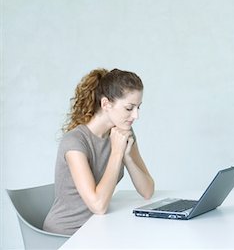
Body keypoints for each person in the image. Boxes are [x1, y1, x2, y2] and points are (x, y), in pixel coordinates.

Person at [43, 68, 154, 235]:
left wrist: (127, 157)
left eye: (138, 107)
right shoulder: (75, 142)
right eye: (129, 108)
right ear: (106, 104)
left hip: (97, 228)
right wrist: (116, 153)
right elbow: (98, 206)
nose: (136, 115)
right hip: (65, 235)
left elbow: (147, 191)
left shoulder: (123, 133)